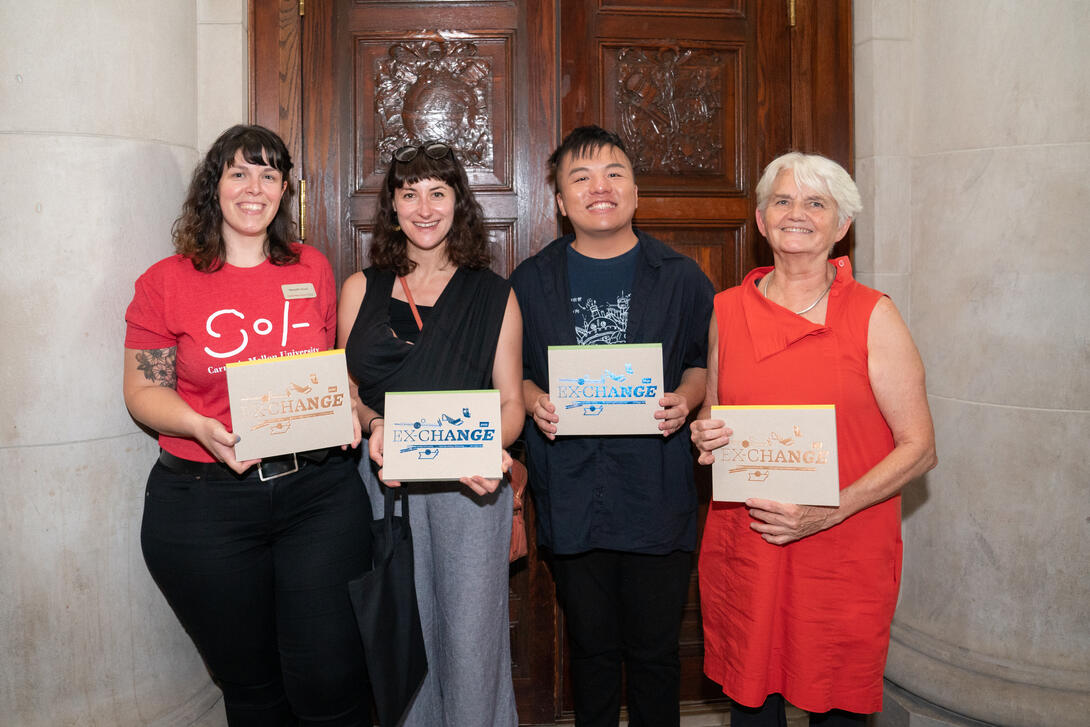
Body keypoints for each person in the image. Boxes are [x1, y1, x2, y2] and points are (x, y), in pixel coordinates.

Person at [123, 125, 372, 726]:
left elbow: (331, 374)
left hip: (318, 498)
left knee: (331, 678)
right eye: (239, 173)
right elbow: (142, 390)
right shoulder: (166, 281)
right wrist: (197, 424)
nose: (254, 188)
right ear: (215, 186)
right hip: (205, 505)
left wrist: (351, 410)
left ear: (285, 188)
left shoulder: (312, 268)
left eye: (268, 174)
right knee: (253, 687)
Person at [690, 152, 938, 726]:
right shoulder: (725, 310)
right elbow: (715, 415)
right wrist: (706, 435)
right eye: (782, 200)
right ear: (760, 219)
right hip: (750, 540)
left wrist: (829, 510)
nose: (796, 213)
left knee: (839, 701)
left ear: (841, 226)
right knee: (751, 703)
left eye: (815, 202)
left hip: (843, 541)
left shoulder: (875, 314)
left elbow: (919, 446)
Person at [511, 125, 714, 727]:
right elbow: (514, 373)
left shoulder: (680, 276)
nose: (599, 188)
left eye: (614, 174)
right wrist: (533, 399)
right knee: (592, 653)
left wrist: (686, 397)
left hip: (656, 489)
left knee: (654, 657)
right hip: (573, 492)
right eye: (581, 177)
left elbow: (702, 362)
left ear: (634, 190)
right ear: (559, 200)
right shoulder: (531, 280)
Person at [338, 140, 523, 726]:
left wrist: (495, 448)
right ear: (392, 205)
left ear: (457, 204)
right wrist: (372, 425)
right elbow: (344, 390)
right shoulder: (358, 288)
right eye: (409, 192)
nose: (424, 207)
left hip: (468, 489)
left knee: (471, 639)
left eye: (437, 193)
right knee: (398, 635)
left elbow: (512, 401)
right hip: (380, 485)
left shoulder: (494, 295)